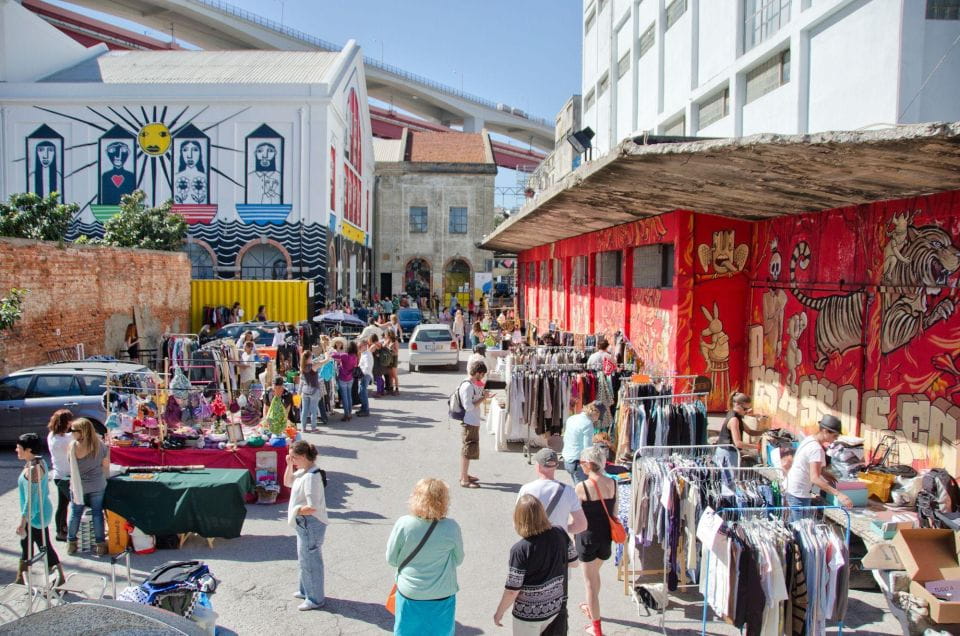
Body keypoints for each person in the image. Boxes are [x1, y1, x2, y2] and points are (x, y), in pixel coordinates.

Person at [386, 478, 464, 636]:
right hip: (442, 593)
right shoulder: (451, 527)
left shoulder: (404, 524)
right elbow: (458, 559)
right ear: (444, 501)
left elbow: (392, 559)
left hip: (410, 592)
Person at [494, 495, 578, 634]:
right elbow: (574, 562)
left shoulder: (520, 549)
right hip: (555, 608)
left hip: (529, 614)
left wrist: (499, 612)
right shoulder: (559, 532)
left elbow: (512, 590)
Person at [574, 446, 617, 636]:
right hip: (606, 537)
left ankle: (596, 627)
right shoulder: (613, 484)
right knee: (594, 575)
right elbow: (615, 513)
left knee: (589, 582)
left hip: (587, 538)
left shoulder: (582, 487)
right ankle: (592, 605)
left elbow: (576, 517)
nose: (581, 466)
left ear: (589, 464)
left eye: (582, 463)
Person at [283, 441, 328, 610]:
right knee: (304, 559)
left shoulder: (311, 477)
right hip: (304, 524)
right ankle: (305, 589)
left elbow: (312, 507)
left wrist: (294, 511)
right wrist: (289, 464)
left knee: (310, 561)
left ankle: (315, 598)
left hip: (311, 523)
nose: (291, 459)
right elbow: (287, 482)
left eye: (293, 457)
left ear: (302, 456)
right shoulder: (303, 471)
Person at [16, 433, 65, 585]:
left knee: (43, 545)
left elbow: (32, 501)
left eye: (19, 448)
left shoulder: (33, 470)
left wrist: (22, 523)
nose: (16, 450)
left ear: (28, 450)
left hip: (36, 514)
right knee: (27, 544)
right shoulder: (37, 462)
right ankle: (22, 578)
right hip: (39, 511)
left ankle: (58, 578)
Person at [785, 415, 853, 510]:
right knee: (799, 524)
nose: (836, 439)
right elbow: (815, 478)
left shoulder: (810, 439)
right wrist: (838, 494)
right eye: (835, 436)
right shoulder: (816, 449)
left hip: (792, 488)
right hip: (798, 494)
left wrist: (825, 474)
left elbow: (810, 466)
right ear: (825, 431)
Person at [518, 449, 587, 535]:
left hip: (534, 541)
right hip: (559, 542)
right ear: (556, 466)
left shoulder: (526, 489)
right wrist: (563, 529)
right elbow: (581, 525)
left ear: (538, 466)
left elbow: (518, 522)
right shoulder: (568, 491)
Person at [67, 418, 110, 556]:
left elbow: (69, 465)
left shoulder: (73, 447)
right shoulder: (101, 445)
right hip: (97, 483)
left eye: (73, 430)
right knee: (98, 514)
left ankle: (71, 543)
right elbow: (106, 466)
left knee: (75, 513)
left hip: (78, 485)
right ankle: (100, 545)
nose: (71, 433)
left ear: (82, 432)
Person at [715, 392, 767, 471]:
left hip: (728, 452)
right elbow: (738, 443)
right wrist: (758, 447)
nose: (747, 412)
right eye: (745, 409)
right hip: (727, 452)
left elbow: (749, 431)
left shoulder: (737, 416)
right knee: (729, 481)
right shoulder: (734, 420)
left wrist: (764, 432)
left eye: (749, 409)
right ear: (737, 405)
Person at [459, 362, 491, 488]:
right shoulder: (467, 386)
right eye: (482, 375)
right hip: (469, 421)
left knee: (469, 449)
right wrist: (484, 398)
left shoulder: (471, 383)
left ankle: (464, 475)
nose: (482, 377)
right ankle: (464, 479)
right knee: (467, 449)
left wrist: (483, 395)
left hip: (472, 421)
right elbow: (469, 407)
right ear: (478, 373)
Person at [47, 409, 73, 542]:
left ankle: (62, 529)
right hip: (65, 476)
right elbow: (73, 439)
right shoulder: (63, 441)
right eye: (69, 421)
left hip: (59, 474)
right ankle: (60, 531)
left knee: (63, 504)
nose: (71, 423)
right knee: (64, 505)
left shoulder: (51, 435)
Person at [562, 403, 602, 484]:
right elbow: (588, 449)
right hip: (577, 463)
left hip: (567, 459)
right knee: (583, 490)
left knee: (577, 486)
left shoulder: (572, 418)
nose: (598, 420)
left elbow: (567, 437)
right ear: (596, 414)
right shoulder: (588, 424)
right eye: (599, 417)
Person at [330, 340, 359, 421]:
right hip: (350, 378)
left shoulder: (344, 355)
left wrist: (333, 350)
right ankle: (349, 412)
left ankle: (347, 414)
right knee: (349, 396)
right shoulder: (355, 356)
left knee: (344, 397)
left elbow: (333, 356)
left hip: (343, 378)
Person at [299, 351, 326, 432]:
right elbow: (325, 361)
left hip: (305, 390)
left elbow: (301, 381)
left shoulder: (302, 367)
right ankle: (313, 428)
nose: (312, 358)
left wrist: (298, 392)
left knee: (304, 410)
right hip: (314, 390)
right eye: (311, 357)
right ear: (308, 358)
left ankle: (303, 428)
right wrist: (327, 356)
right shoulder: (313, 366)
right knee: (313, 411)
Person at [356, 339, 373, 417]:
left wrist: (360, 373)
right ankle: (363, 408)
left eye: (360, 346)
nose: (358, 348)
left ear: (365, 346)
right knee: (361, 392)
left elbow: (367, 367)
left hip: (365, 375)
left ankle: (366, 410)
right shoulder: (364, 353)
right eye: (358, 346)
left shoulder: (366, 355)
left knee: (363, 392)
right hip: (364, 375)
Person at [384, 330, 400, 395]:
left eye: (386, 334)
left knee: (394, 375)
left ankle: (397, 389)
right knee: (390, 375)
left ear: (389, 335)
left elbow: (397, 352)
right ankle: (391, 388)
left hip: (394, 358)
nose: (385, 335)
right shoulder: (387, 341)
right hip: (388, 359)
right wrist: (386, 344)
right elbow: (383, 346)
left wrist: (391, 349)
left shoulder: (395, 341)